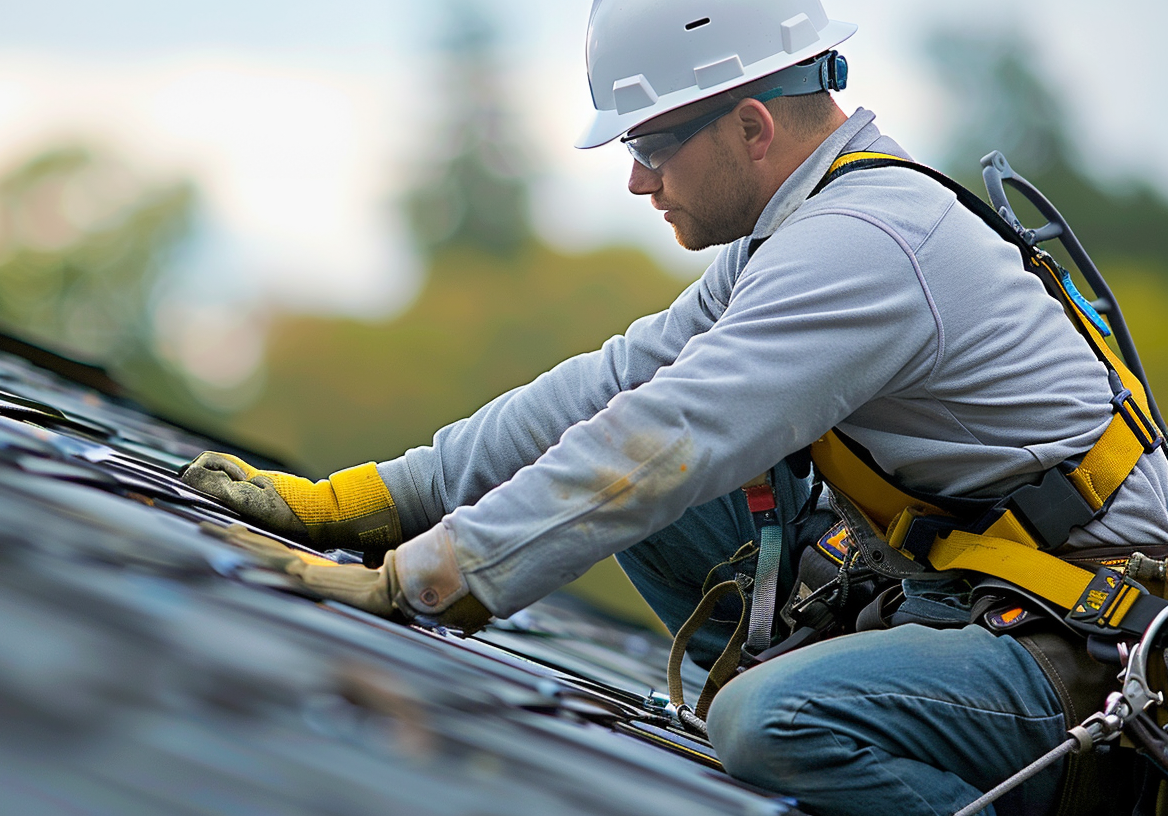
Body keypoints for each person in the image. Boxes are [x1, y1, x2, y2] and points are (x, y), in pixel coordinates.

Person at [181, 2, 1168, 814]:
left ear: (751, 124)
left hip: (1078, 656)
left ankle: (849, 738)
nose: (635, 176)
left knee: (771, 725)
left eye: (654, 141)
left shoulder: (860, 249)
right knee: (655, 509)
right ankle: (845, 719)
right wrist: (373, 501)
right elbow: (610, 391)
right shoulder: (800, 227)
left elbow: (665, 441)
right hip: (960, 596)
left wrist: (421, 585)